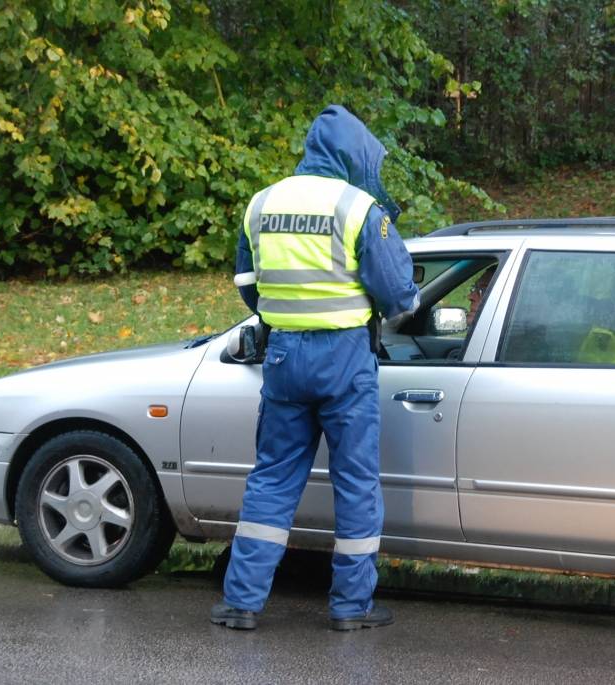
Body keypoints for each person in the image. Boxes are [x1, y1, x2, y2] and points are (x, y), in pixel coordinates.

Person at [210, 105, 420, 631]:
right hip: (345, 358)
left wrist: (280, 313)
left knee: (273, 478)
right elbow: (398, 295)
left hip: (282, 357)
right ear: (354, 153)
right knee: (355, 482)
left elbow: (246, 282)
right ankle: (352, 608)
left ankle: (241, 602)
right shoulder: (358, 206)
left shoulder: (262, 203)